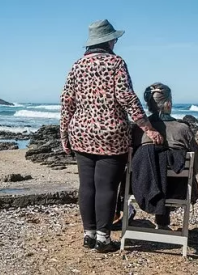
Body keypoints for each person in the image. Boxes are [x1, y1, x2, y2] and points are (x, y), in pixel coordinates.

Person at [60, 19, 163, 252]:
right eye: (114, 38)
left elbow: (67, 102)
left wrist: (64, 135)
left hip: (81, 132)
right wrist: (147, 127)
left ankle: (88, 235)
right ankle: (103, 239)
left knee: (86, 185)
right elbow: (127, 97)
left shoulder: (77, 65)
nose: (115, 42)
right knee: (106, 186)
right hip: (111, 134)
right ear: (109, 40)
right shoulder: (116, 63)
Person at [132, 82, 198, 229]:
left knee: (153, 166)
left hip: (142, 186)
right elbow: (196, 163)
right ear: (168, 104)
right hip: (178, 189)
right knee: (173, 170)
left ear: (148, 105)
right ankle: (163, 223)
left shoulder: (138, 130)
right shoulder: (183, 129)